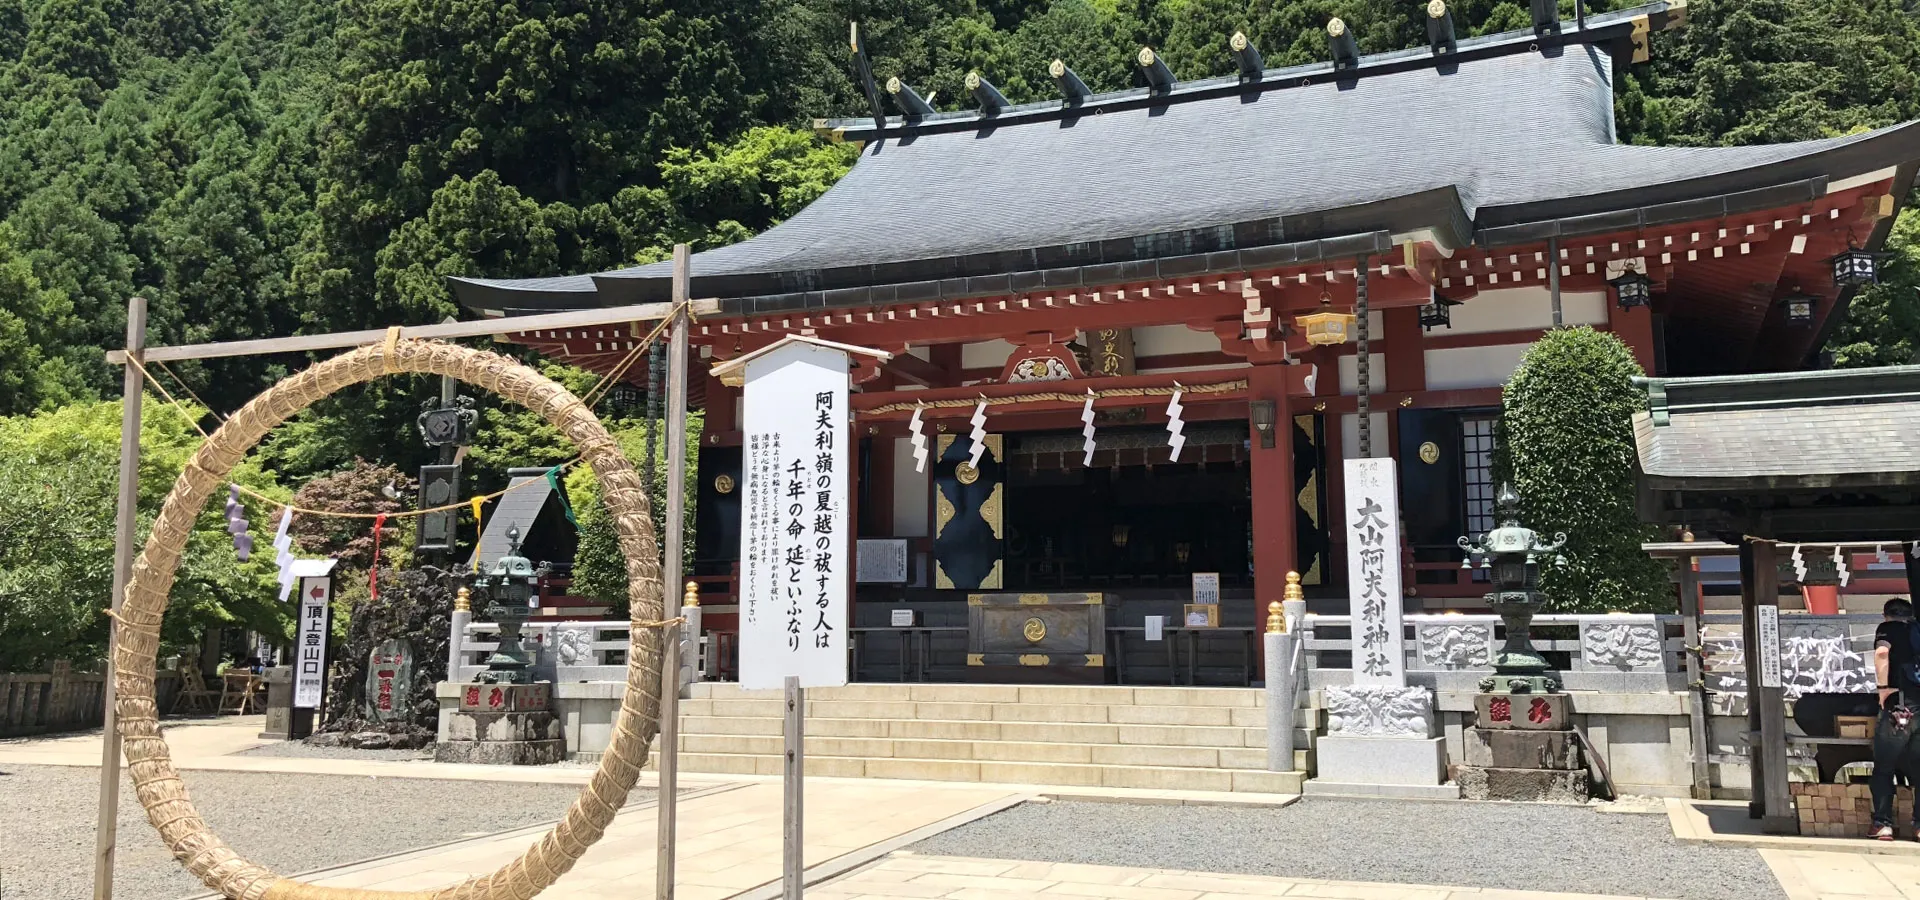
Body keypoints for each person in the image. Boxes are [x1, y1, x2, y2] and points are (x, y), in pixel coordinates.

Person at [1871, 597, 1920, 840]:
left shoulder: (1887, 629)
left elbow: (1882, 654)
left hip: (1900, 706)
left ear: (1885, 615)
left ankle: (1882, 824)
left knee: (1884, 766)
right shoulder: (1917, 630)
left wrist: (1883, 688)